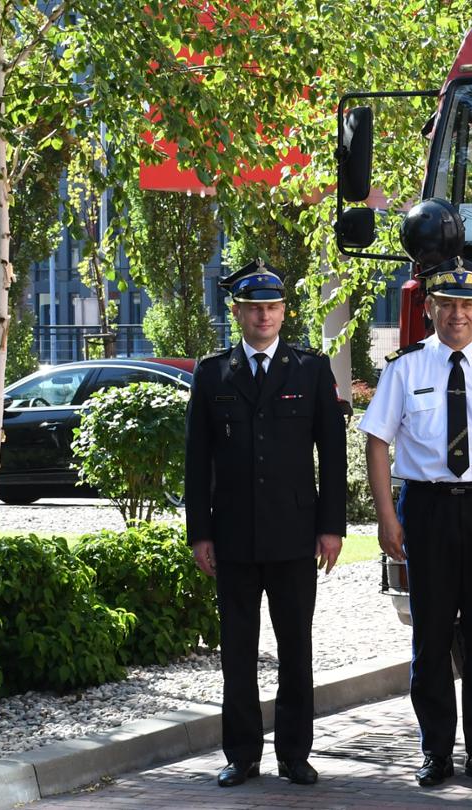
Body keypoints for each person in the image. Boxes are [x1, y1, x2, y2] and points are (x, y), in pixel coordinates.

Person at [358, 256, 472, 788]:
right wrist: (386, 516)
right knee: (431, 640)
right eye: (446, 305)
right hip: (428, 508)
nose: (457, 315)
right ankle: (436, 751)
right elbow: (377, 441)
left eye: (467, 305)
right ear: (431, 310)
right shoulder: (405, 366)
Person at [183, 260, 347, 788]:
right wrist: (199, 532)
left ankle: (294, 753)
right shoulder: (213, 373)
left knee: (296, 648)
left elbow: (334, 457)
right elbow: (196, 461)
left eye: (272, 308)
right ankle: (242, 754)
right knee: (237, 651)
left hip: (296, 535)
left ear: (284, 312)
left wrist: (332, 527)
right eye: (254, 308)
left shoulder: (311, 369)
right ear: (237, 313)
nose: (263, 317)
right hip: (232, 536)